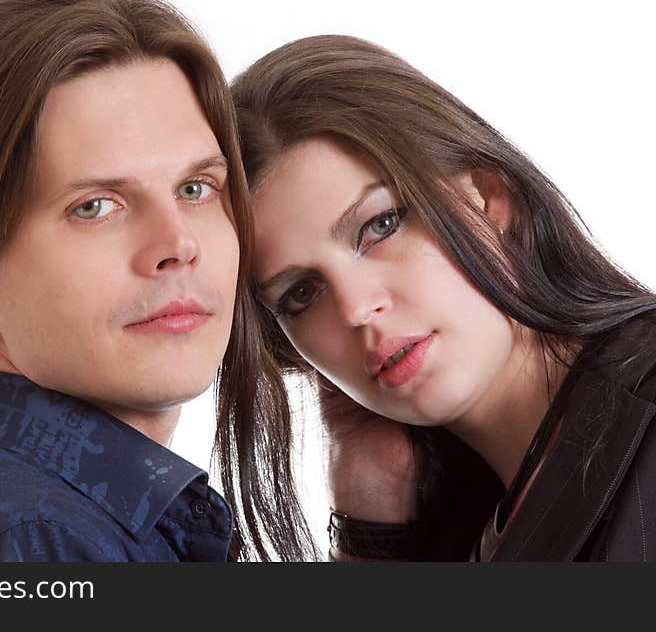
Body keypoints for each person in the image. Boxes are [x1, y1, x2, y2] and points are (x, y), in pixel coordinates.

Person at [221, 34, 656, 561]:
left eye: (380, 225)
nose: (356, 310)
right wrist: (372, 525)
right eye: (301, 293)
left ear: (488, 196)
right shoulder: (457, 521)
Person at [0, 0, 262, 562]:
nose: (178, 243)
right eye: (95, 206)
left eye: (195, 188)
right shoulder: (30, 549)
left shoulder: (64, 531)